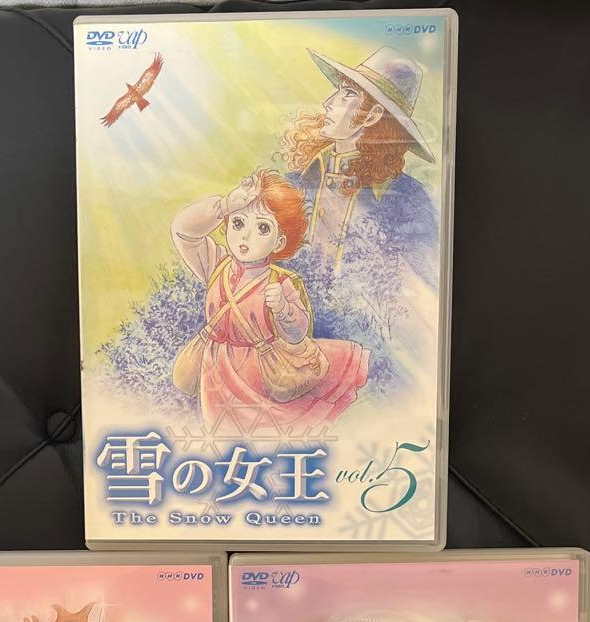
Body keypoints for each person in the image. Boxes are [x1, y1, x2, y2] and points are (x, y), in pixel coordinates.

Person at [170, 168, 368, 432]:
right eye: (238, 223)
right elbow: (183, 231)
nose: (246, 236)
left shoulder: (280, 281)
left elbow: (297, 334)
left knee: (267, 436)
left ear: (279, 242)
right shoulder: (216, 264)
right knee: (221, 437)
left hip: (263, 374)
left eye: (263, 228)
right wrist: (224, 205)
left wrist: (283, 309)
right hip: (216, 375)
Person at [282, 46, 438, 279]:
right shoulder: (294, 185)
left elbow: (422, 286)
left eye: (348, 94)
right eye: (338, 90)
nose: (328, 102)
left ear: (372, 115)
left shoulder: (409, 200)